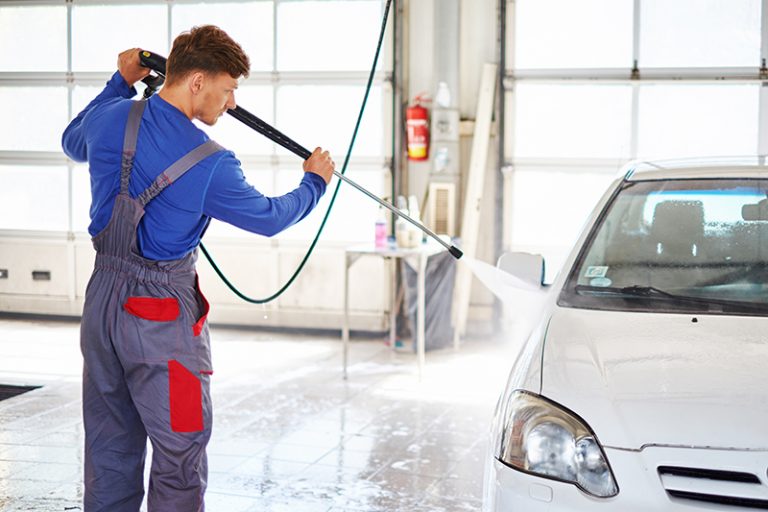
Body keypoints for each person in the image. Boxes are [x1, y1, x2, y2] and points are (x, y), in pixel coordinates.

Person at [61, 25, 334, 512]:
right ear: (197, 82)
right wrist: (313, 183)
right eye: (228, 90)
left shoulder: (109, 119)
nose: (230, 104)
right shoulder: (212, 163)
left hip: (101, 306)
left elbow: (71, 142)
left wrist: (120, 81)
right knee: (180, 446)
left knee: (109, 444)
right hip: (162, 320)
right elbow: (270, 218)